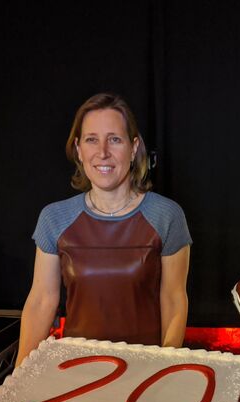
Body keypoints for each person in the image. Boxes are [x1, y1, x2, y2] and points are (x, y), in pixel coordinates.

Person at [15, 93, 192, 367]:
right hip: (75, 369)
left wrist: (164, 367)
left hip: (144, 370)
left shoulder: (167, 215)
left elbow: (173, 299)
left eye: (115, 139)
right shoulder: (54, 218)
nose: (103, 152)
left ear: (133, 148)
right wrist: (19, 375)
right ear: (78, 149)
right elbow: (41, 301)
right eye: (91, 140)